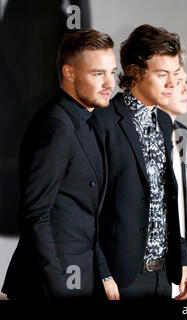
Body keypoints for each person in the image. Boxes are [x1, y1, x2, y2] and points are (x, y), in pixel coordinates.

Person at [2, 29, 117, 299]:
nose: (109, 83)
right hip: (53, 282)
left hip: (79, 275)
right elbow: (35, 215)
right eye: (98, 74)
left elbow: (87, 215)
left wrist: (103, 272)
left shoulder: (86, 122)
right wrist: (57, 286)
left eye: (112, 72)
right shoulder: (57, 126)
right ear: (69, 73)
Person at [92, 24, 187, 300]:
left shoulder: (163, 120)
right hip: (120, 277)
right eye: (162, 74)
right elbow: (87, 208)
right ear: (135, 73)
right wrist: (101, 271)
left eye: (175, 74)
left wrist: (183, 259)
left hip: (163, 275)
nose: (172, 84)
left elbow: (168, 200)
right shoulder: (103, 122)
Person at [156, 67, 187, 298]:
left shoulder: (184, 135)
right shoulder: (145, 136)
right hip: (156, 265)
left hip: (184, 265)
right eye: (179, 83)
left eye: (186, 81)